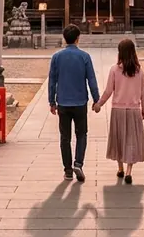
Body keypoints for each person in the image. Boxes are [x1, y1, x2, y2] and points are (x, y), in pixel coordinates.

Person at [48, 24, 99, 181]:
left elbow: (52, 81)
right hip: (80, 101)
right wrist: (97, 100)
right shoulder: (84, 56)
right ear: (78, 38)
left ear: (65, 38)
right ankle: (78, 163)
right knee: (81, 134)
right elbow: (91, 80)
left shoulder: (57, 57)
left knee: (65, 137)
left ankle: (68, 170)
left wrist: (52, 101)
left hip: (63, 101)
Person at [93, 38, 144, 184]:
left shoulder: (115, 70)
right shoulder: (139, 71)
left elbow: (108, 91)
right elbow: (143, 93)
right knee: (131, 140)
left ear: (120, 53)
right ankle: (129, 171)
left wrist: (99, 104)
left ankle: (120, 169)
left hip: (118, 109)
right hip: (134, 109)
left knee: (118, 139)